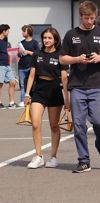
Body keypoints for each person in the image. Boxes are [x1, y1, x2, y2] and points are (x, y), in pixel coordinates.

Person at [59, 1, 100, 173]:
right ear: (80, 16)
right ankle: (84, 160)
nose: (89, 21)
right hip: (77, 85)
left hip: (98, 84)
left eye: (92, 18)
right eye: (86, 18)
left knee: (99, 122)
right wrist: (77, 59)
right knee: (79, 125)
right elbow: (62, 59)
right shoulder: (71, 34)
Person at [24, 28, 69, 169]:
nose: (46, 40)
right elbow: (32, 75)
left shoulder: (61, 55)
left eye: (50, 38)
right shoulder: (37, 54)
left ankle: (54, 157)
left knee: (54, 126)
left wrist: (67, 100)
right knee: (35, 124)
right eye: (45, 38)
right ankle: (38, 156)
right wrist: (26, 94)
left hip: (55, 90)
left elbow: (64, 78)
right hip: (39, 91)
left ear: (55, 39)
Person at [17, 25, 40, 107]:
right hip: (21, 66)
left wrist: (28, 52)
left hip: (31, 66)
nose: (22, 32)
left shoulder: (35, 43)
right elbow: (19, 56)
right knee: (22, 84)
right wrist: (19, 53)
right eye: (22, 31)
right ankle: (22, 100)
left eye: (24, 31)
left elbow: (38, 54)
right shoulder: (21, 43)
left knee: (32, 84)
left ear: (29, 32)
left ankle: (33, 99)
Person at [0, 24, 17, 109]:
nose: (9, 32)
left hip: (7, 65)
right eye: (8, 31)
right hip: (0, 65)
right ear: (3, 31)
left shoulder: (6, 40)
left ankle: (11, 103)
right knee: (0, 84)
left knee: (13, 82)